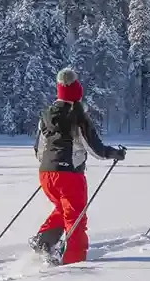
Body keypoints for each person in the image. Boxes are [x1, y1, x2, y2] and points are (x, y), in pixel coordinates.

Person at [29, 67, 126, 265]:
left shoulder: (46, 116)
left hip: (46, 173)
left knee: (63, 209)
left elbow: (38, 148)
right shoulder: (77, 116)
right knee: (76, 218)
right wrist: (113, 153)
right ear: (77, 91)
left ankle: (45, 241)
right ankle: (74, 262)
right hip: (69, 175)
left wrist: (51, 165)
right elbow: (95, 148)